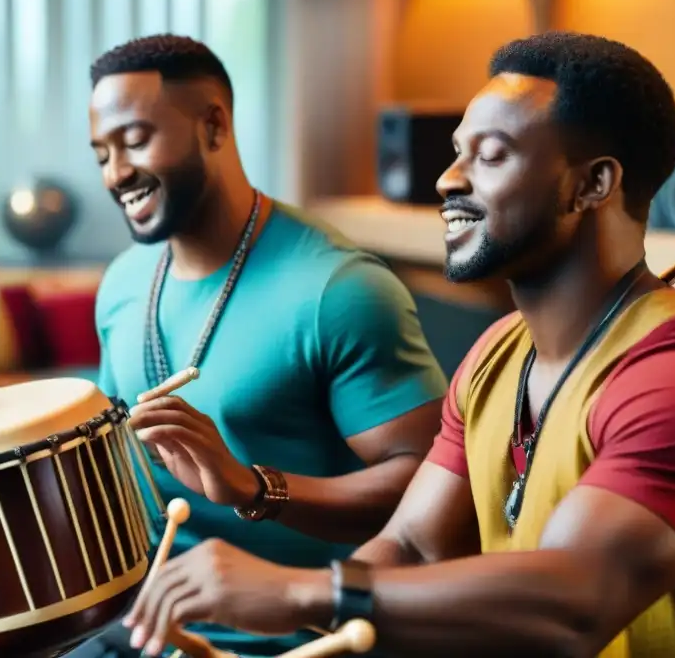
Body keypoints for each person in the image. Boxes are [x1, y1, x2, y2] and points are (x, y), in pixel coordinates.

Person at [122, 32, 675, 657]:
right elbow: (412, 548)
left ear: (592, 184)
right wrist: (289, 636)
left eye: (491, 156)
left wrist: (309, 592)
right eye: (456, 153)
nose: (447, 180)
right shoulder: (496, 354)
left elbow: (580, 600)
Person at [79, 34, 448, 657]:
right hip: (140, 626)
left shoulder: (339, 289)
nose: (116, 173)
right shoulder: (121, 284)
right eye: (101, 154)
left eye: (136, 141)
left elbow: (429, 493)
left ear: (214, 126)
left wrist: (253, 486)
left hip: (295, 640)